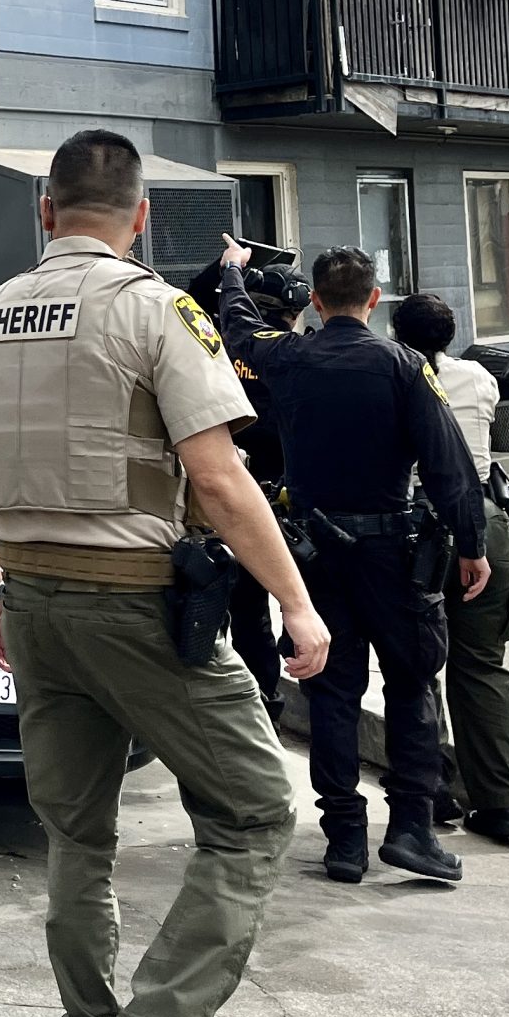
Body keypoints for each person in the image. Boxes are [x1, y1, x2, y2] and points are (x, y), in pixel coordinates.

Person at [0, 131, 330, 1017]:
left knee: (79, 840)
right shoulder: (159, 311)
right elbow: (217, 477)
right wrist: (296, 604)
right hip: (137, 606)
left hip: (32, 603)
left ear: (44, 212)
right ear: (141, 214)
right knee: (253, 812)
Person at [216, 239, 486, 888]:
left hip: (313, 555)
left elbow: (238, 326)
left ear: (313, 300)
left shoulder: (289, 355)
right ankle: (412, 830)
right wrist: (472, 544)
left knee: (332, 693)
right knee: (411, 685)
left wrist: (232, 271)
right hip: (395, 556)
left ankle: (343, 840)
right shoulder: (403, 366)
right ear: (374, 299)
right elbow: (447, 463)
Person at [391, 294, 509, 843]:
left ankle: (432, 790)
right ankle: (500, 804)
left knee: (416, 667)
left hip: (418, 525)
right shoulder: (478, 377)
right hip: (486, 524)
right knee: (482, 667)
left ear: (398, 333)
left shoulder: (391, 374)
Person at [193, 257, 315, 718]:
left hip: (225, 503)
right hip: (292, 506)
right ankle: (271, 699)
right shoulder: (299, 355)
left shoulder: (218, 350)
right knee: (292, 610)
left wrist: (227, 269)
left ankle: (243, 703)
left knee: (237, 612)